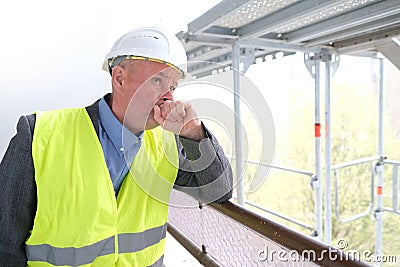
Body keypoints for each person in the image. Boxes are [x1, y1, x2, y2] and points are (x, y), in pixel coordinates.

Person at [0, 27, 233, 266]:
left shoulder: (170, 145)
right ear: (119, 78)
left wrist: (194, 132)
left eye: (172, 87)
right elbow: (5, 246)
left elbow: (219, 191)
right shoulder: (38, 134)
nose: (169, 97)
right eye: (158, 81)